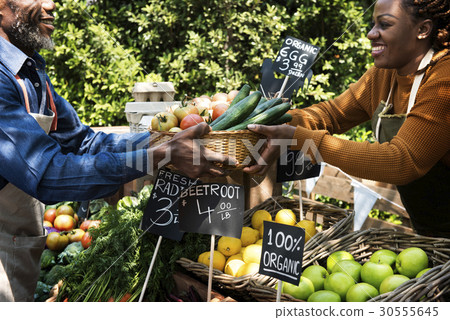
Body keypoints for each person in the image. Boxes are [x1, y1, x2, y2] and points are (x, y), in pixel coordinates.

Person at [0, 0, 235, 301]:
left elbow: (85, 142)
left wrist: (165, 141)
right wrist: (160, 155)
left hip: (17, 241)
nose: (51, 4)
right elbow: (47, 174)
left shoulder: (32, 75)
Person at [244, 0, 449, 237]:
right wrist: (268, 120)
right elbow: (330, 115)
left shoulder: (444, 78)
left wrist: (299, 138)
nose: (371, 34)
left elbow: (401, 161)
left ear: (422, 30)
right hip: (431, 235)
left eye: (384, 24)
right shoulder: (383, 75)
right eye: (373, 24)